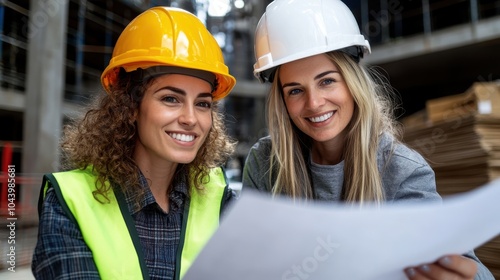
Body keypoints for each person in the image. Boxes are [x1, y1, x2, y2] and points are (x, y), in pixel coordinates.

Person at [242, 0, 494, 279]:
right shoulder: (266, 162)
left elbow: (472, 269)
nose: (314, 103)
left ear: (352, 83)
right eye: (295, 91)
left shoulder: (402, 171)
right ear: (282, 101)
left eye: (327, 81)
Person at [32, 6, 236, 280]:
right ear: (129, 106)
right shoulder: (69, 202)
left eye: (202, 104)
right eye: (170, 99)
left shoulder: (221, 198)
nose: (191, 119)